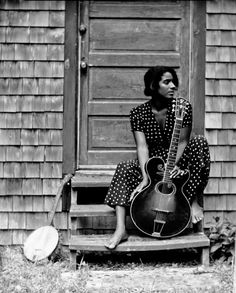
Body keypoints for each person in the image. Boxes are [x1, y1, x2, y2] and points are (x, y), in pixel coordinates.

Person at [104, 66, 210, 250]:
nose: (173, 86)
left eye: (174, 82)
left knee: (199, 142)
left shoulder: (183, 108)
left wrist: (171, 165)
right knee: (124, 167)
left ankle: (193, 201)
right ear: (153, 85)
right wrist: (146, 177)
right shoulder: (138, 113)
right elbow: (142, 146)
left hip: (177, 162)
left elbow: (183, 141)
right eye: (167, 82)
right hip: (153, 167)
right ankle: (121, 228)